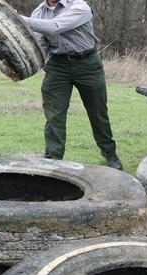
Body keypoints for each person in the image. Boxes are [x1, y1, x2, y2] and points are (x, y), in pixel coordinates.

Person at [21, 1, 122, 171]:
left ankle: (110, 154)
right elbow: (42, 45)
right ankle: (53, 159)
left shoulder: (80, 6)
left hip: (87, 64)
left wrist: (17, 19)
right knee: (54, 115)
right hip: (57, 66)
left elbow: (55, 26)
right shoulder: (38, 13)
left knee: (98, 113)